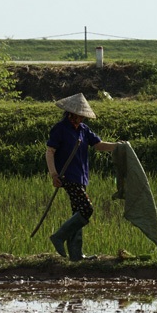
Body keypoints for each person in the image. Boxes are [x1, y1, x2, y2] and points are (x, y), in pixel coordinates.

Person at [46, 93, 117, 261]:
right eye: (80, 116)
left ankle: (76, 255)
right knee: (87, 209)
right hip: (68, 176)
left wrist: (118, 146)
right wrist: (54, 174)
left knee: (77, 211)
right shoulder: (60, 129)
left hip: (81, 176)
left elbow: (99, 145)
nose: (82, 119)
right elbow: (49, 152)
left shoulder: (84, 130)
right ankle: (58, 236)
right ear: (71, 114)